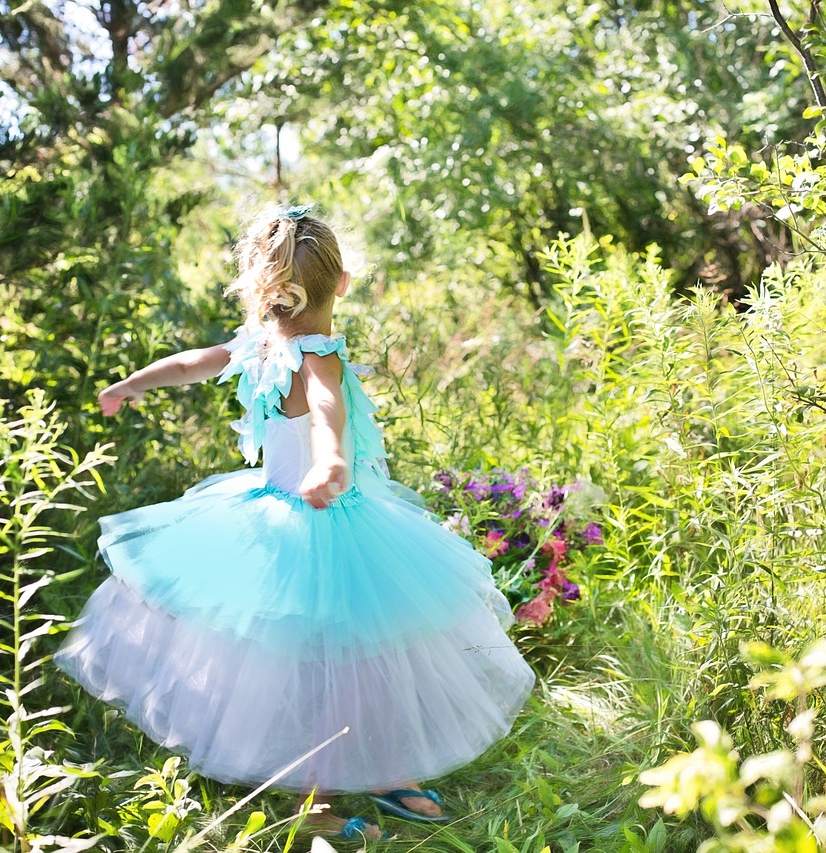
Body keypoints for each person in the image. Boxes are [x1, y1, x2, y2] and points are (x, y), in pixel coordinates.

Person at [55, 205, 536, 841]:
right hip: (323, 521)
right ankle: (321, 798)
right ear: (341, 283)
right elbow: (326, 409)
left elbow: (191, 362)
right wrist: (332, 461)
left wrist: (127, 385)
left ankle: (384, 771)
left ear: (263, 287)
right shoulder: (318, 353)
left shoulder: (257, 344)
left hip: (288, 514)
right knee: (343, 660)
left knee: (335, 659)